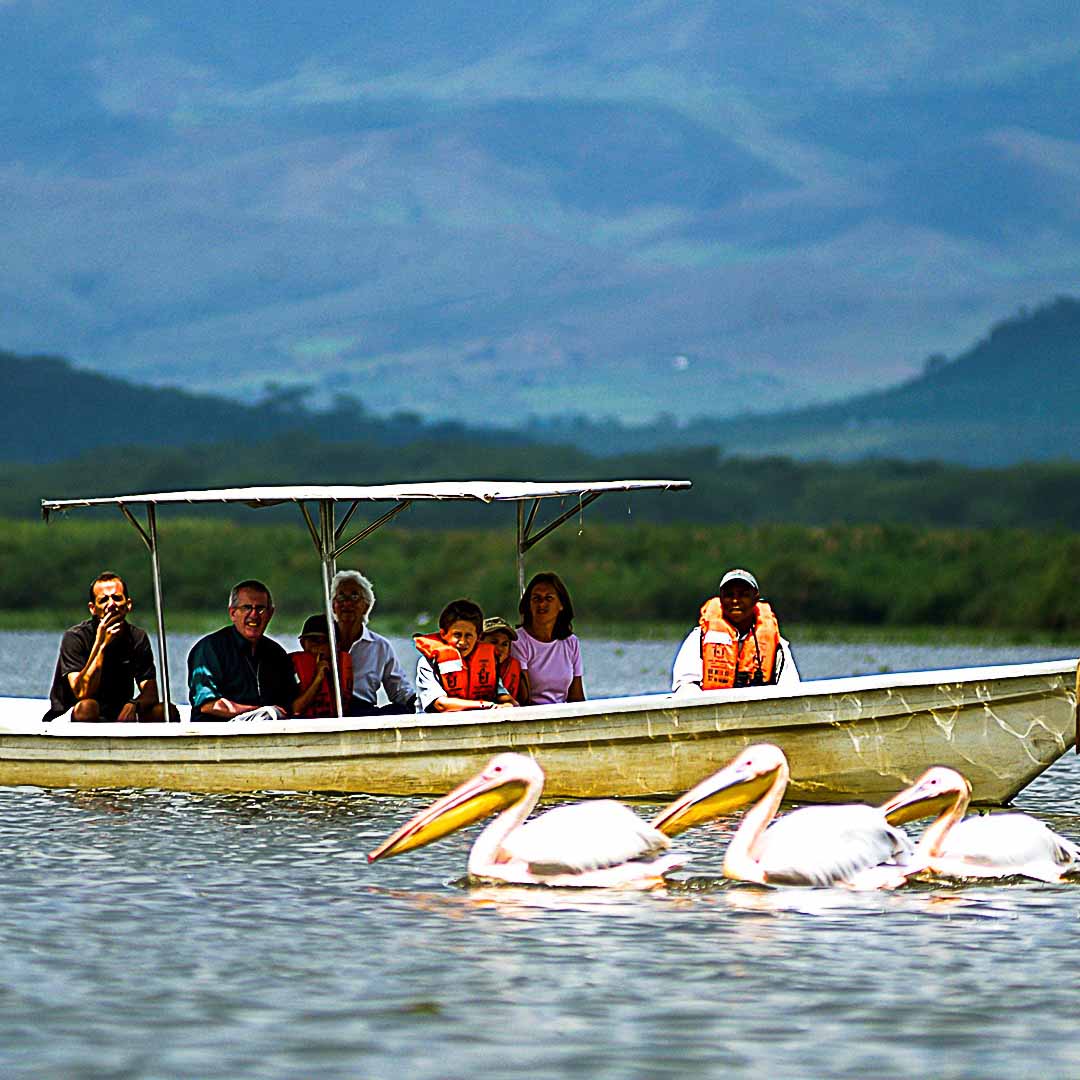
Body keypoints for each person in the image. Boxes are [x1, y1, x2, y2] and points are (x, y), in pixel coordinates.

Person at [43, 570, 174, 722]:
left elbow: (151, 692)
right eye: (104, 600)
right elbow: (82, 691)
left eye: (117, 598)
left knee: (166, 711)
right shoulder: (76, 637)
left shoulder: (136, 637)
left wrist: (134, 704)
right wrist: (101, 643)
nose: (111, 605)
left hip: (117, 714)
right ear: (93, 608)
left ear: (128, 604)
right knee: (88, 707)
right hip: (72, 714)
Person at [671, 568, 800, 693]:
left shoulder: (777, 644)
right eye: (729, 595)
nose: (735, 601)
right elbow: (685, 684)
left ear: (755, 598)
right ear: (720, 598)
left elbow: (790, 687)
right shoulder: (699, 637)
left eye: (743, 595)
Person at [187, 579, 298, 720]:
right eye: (246, 608)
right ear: (233, 613)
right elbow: (209, 705)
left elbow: (290, 704)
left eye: (260, 608)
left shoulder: (276, 653)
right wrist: (259, 711)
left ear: (270, 614)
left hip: (270, 732)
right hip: (220, 733)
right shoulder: (210, 648)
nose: (254, 615)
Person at [331, 569, 416, 715]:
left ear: (366, 605)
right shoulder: (322, 641)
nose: (347, 603)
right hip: (327, 709)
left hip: (362, 711)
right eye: (341, 597)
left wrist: (423, 704)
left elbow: (399, 690)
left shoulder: (380, 646)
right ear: (333, 606)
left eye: (354, 596)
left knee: (399, 710)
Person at [414, 599, 517, 712]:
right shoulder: (427, 663)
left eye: (468, 635)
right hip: (437, 725)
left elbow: (502, 695)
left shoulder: (488, 660)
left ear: (478, 637)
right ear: (443, 634)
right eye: (457, 635)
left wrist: (511, 704)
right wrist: (488, 706)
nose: (462, 642)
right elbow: (441, 704)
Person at [511, 572, 585, 705]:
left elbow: (576, 697)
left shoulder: (571, 642)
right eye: (536, 598)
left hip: (562, 715)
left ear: (561, 605)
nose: (542, 604)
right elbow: (523, 698)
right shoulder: (519, 641)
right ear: (529, 604)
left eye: (549, 598)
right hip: (532, 715)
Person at [290, 614, 354, 719]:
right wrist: (318, 678)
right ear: (302, 643)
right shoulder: (290, 667)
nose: (317, 647)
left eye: (323, 641)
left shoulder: (343, 667)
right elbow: (296, 709)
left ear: (336, 645)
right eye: (312, 640)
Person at [481, 616, 528, 705]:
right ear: (479, 641)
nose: (500, 649)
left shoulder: (514, 667)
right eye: (494, 642)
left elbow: (524, 700)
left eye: (505, 644)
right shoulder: (467, 666)